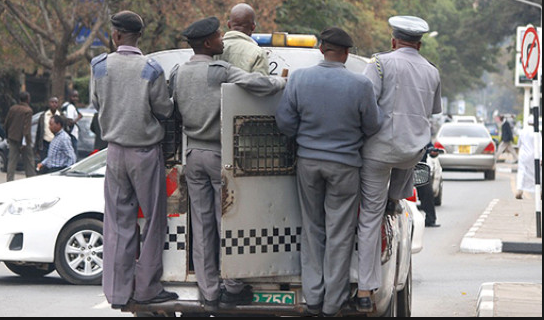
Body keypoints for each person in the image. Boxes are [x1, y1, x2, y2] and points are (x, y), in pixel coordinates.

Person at [169, 16, 285, 310]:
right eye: (220, 36)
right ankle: (232, 283)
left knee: (202, 224)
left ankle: (208, 292)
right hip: (219, 155)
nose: (223, 39)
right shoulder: (218, 70)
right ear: (208, 43)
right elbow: (258, 83)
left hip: (192, 156)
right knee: (228, 222)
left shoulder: (178, 72)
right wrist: (282, 81)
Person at [276, 27, 383, 316]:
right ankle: (332, 304)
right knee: (340, 232)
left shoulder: (299, 79)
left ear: (321, 48)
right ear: (346, 54)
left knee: (312, 229)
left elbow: (285, 123)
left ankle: (313, 298)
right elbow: (373, 126)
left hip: (308, 163)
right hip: (346, 165)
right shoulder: (361, 85)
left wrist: (307, 136)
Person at [90, 10, 177, 309]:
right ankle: (147, 289)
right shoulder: (151, 68)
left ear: (115, 35)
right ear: (139, 36)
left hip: (114, 153)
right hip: (144, 153)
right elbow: (164, 109)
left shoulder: (99, 65)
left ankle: (116, 292)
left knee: (117, 222)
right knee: (153, 221)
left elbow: (95, 103)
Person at [357, 16, 442, 312]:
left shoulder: (380, 64)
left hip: (379, 152)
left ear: (393, 41)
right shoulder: (432, 71)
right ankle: (394, 201)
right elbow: (432, 111)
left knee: (369, 217)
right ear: (419, 44)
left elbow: (364, 104)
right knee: (403, 179)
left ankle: (366, 289)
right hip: (411, 153)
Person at [214, 3, 269, 75]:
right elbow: (262, 83)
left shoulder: (213, 49)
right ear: (253, 27)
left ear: (229, 24)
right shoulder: (258, 53)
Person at [3, 91, 36, 182]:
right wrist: (24, 142)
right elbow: (26, 128)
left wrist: (7, 136)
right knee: (29, 162)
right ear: (27, 99)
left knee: (12, 161)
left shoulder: (13, 108)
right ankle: (31, 181)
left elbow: (7, 123)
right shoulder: (28, 110)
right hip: (24, 140)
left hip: (12, 138)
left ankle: (9, 181)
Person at [515, 116, 542, 199]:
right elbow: (540, 146)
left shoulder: (523, 132)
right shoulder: (537, 132)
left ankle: (519, 190)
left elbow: (519, 144)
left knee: (522, 172)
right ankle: (540, 191)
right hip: (535, 156)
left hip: (524, 156)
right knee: (538, 173)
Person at [416, 142, 440, 227]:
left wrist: (433, 151)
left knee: (427, 192)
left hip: (418, 168)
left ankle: (430, 220)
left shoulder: (423, 133)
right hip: (401, 167)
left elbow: (430, 147)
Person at [35, 97, 61, 162]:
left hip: (57, 144)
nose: (54, 104)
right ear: (49, 104)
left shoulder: (61, 116)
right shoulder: (43, 116)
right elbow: (39, 132)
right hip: (45, 144)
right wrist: (37, 148)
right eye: (52, 102)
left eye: (56, 103)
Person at [61, 90, 83, 154]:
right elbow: (69, 122)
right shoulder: (70, 107)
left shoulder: (66, 105)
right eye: (73, 96)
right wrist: (77, 118)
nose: (76, 99)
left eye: (77, 97)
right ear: (69, 97)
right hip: (72, 134)